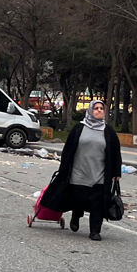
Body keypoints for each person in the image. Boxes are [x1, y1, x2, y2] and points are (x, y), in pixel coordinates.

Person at [40, 100, 122, 241]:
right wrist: (63, 168)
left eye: (101, 108)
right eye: (96, 108)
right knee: (78, 198)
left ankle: (95, 231)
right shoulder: (79, 128)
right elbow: (68, 149)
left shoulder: (108, 131)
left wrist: (116, 172)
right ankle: (76, 214)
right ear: (90, 111)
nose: (99, 110)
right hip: (79, 172)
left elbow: (115, 153)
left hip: (100, 174)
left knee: (98, 203)